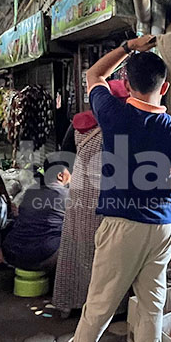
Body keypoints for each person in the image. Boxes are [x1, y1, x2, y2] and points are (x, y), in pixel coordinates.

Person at [35, 36, 171, 342]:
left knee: (102, 298)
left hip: (123, 225)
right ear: (163, 89)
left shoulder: (113, 114)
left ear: (126, 83)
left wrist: (129, 46)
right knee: (152, 300)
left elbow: (94, 75)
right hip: (163, 225)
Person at [53, 80, 129, 316]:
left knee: (76, 250)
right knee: (107, 254)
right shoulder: (122, 126)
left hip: (79, 193)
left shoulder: (80, 123)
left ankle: (71, 301)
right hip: (108, 196)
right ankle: (107, 309)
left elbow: (64, 157)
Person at [2, 157, 72, 272]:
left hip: (11, 253)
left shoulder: (31, 191)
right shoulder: (66, 195)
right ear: (60, 175)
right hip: (40, 258)